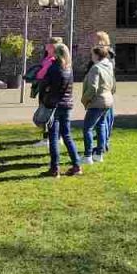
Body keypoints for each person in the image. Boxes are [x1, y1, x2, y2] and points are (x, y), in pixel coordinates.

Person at [39, 40, 82, 178]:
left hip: (55, 105)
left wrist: (45, 91)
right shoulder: (69, 68)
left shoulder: (54, 68)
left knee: (53, 137)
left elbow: (45, 84)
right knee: (67, 135)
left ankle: (55, 168)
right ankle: (76, 165)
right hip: (67, 104)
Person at [80, 43, 116, 165]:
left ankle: (88, 155)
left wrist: (85, 99)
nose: (91, 56)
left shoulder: (96, 68)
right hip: (108, 100)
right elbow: (113, 84)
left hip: (98, 101)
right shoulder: (109, 65)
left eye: (92, 54)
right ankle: (99, 154)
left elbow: (92, 88)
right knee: (101, 125)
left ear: (96, 55)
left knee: (87, 128)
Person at [93, 31, 116, 153]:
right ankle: (103, 143)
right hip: (107, 90)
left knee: (105, 119)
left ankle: (104, 143)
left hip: (105, 90)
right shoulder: (106, 53)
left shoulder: (106, 54)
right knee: (104, 119)